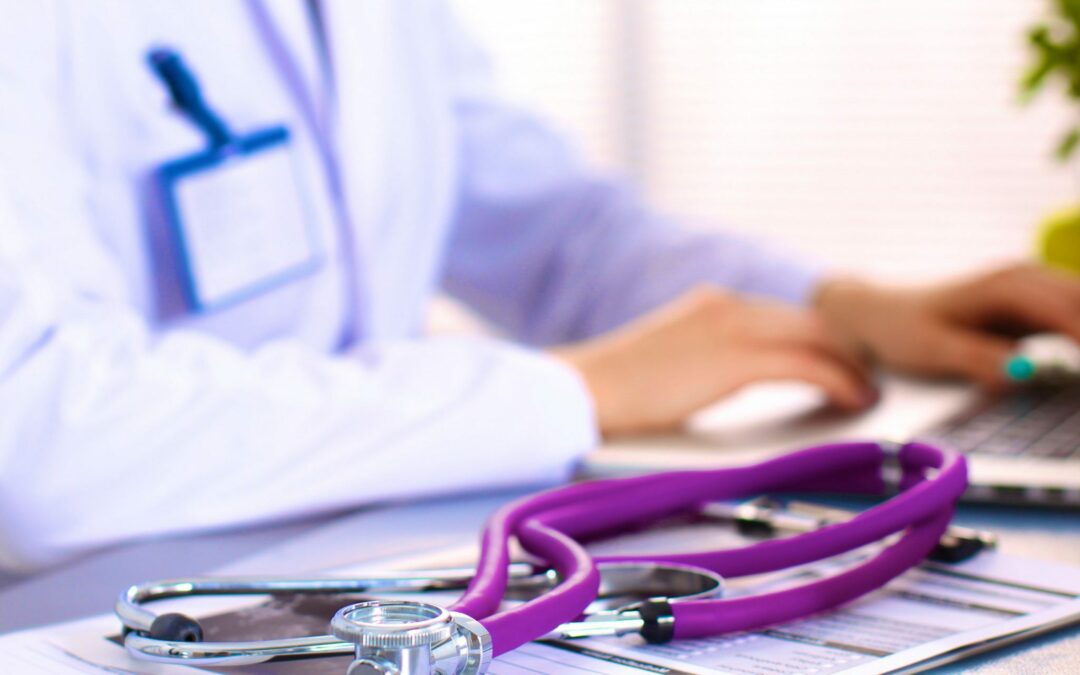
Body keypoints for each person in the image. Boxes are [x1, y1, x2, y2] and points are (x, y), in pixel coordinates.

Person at [1, 0, 1077, 573]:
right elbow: (44, 439)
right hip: (93, 600)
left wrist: (837, 307)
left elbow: (544, 220)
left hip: (343, 559)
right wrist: (571, 391)